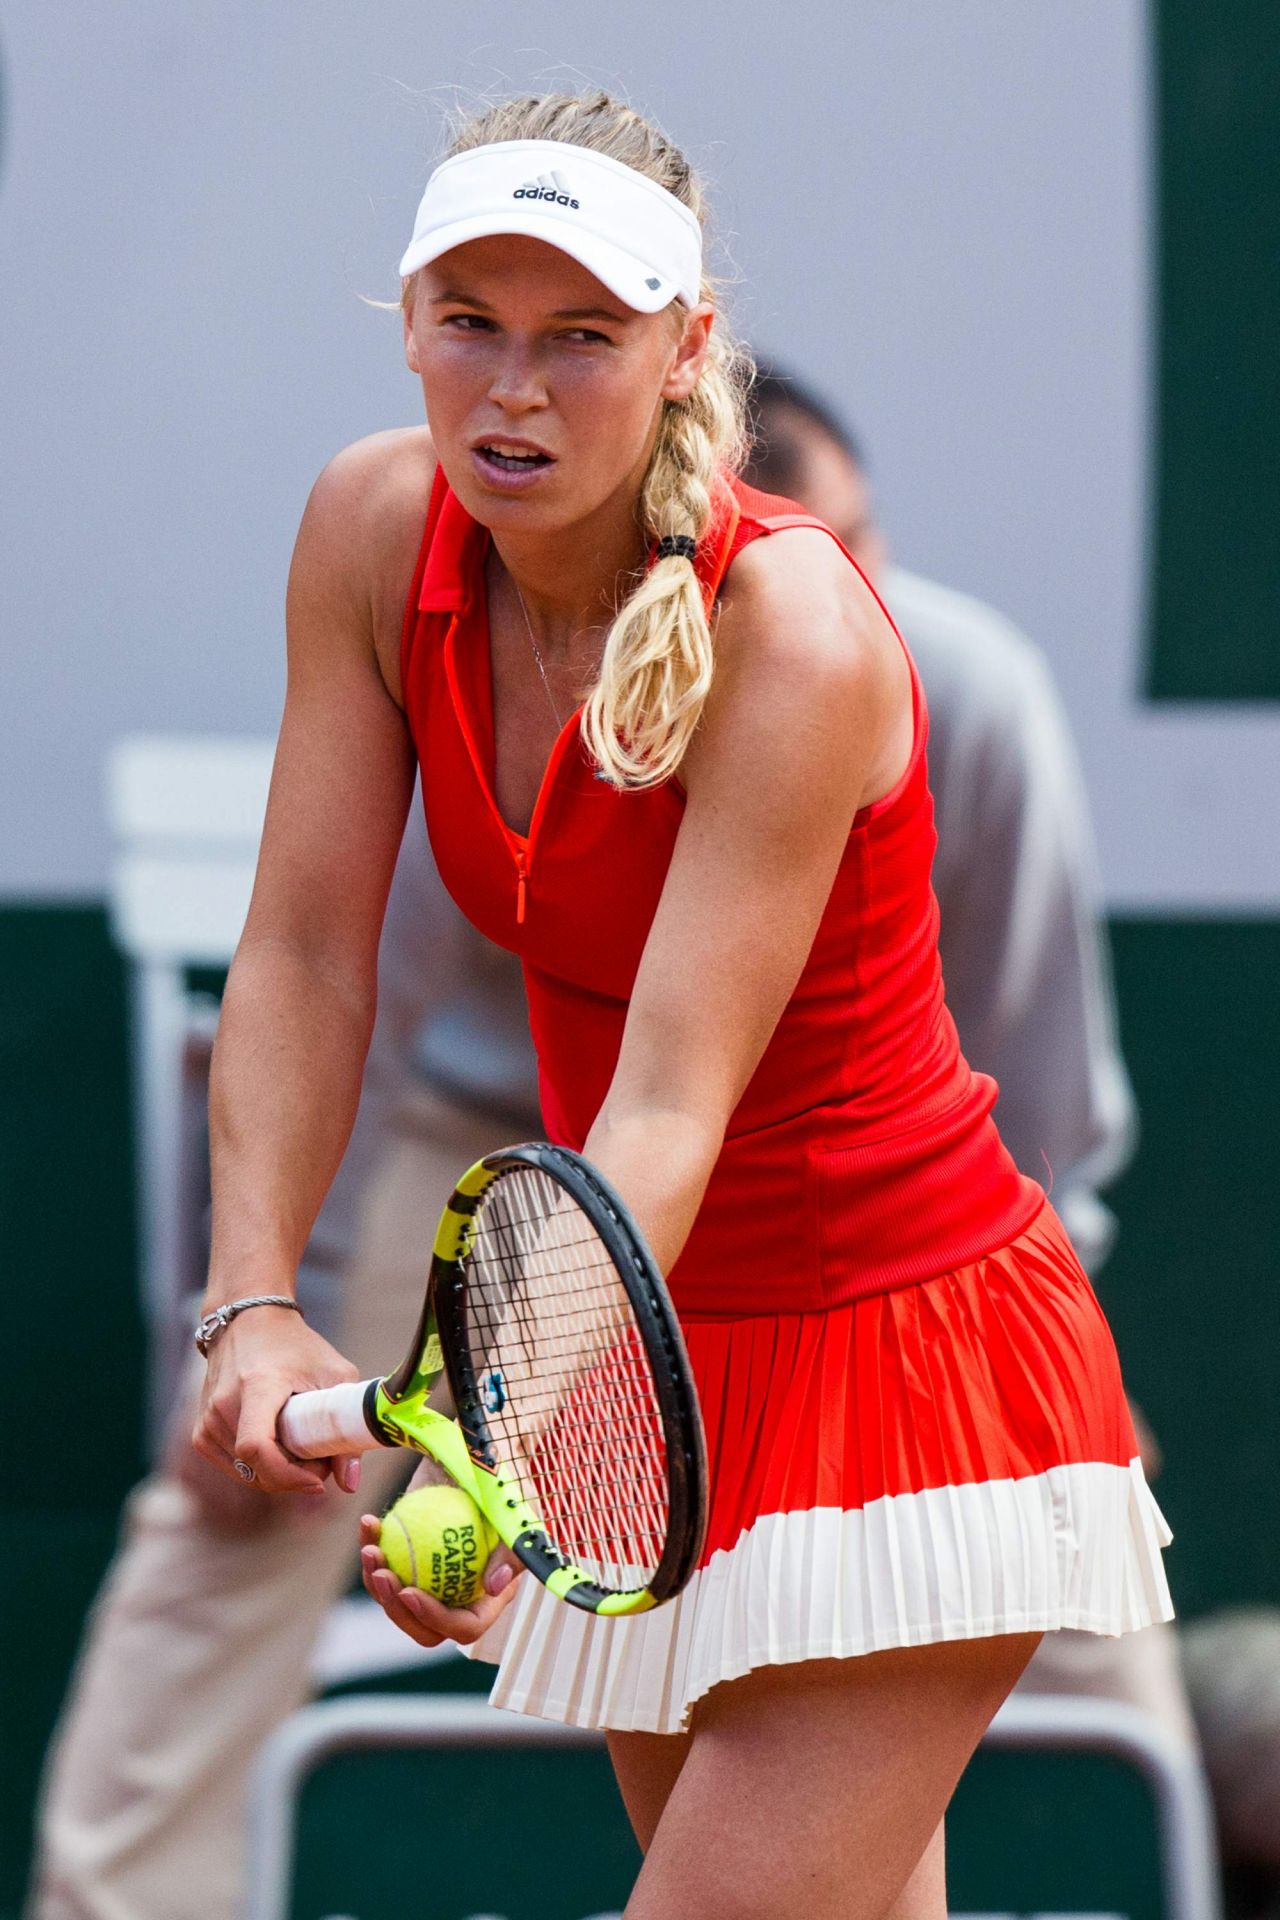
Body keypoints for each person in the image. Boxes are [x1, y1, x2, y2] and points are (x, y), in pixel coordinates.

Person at [183, 89, 1172, 1920]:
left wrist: (485, 1448)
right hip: (662, 1353)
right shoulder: (366, 530)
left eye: (581, 336)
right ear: (404, 319)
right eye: (469, 321)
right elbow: (305, 952)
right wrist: (249, 1299)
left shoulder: (791, 633)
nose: (513, 391)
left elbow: (662, 1110)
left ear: (684, 346)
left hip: (908, 1370)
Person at [742, 369, 1197, 1745]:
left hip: (894, 1204)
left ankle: (1150, 1836)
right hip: (522, 1179)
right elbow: (404, 1059)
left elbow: (1037, 1081)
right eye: (817, 564)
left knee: (1070, 1507)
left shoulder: (974, 693)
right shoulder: (549, 696)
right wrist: (287, 1319)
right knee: (243, 1506)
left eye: (867, 542)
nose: (863, 594)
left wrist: (1054, 1367)